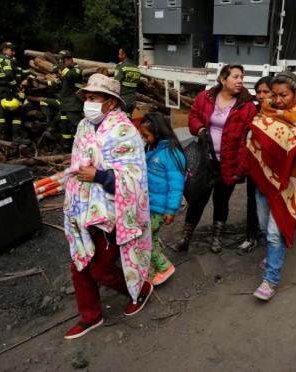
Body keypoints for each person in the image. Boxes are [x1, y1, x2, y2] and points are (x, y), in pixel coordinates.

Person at [63, 73, 153, 339]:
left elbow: (135, 178)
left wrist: (100, 176)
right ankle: (90, 316)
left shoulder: (124, 132)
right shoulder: (83, 127)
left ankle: (141, 289)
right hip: (82, 207)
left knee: (101, 268)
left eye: (93, 98)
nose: (87, 103)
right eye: (86, 98)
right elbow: (78, 161)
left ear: (111, 102)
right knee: (79, 263)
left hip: (113, 212)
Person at [242, 71, 296, 300]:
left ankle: (270, 279)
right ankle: (273, 252)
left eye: (283, 95)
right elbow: (255, 134)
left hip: (290, 183)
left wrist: (277, 143)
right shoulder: (266, 110)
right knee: (266, 226)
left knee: (275, 232)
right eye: (273, 95)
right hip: (264, 179)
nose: (276, 100)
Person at [172, 64, 257, 254]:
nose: (240, 81)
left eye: (241, 77)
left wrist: (239, 170)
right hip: (205, 160)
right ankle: (185, 238)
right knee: (197, 198)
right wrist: (201, 129)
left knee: (221, 200)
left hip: (229, 163)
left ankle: (217, 238)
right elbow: (193, 117)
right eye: (235, 77)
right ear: (222, 79)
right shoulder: (206, 97)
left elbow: (247, 142)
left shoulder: (247, 106)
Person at [139, 112, 186, 285]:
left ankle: (165, 267)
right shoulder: (154, 150)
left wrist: (171, 210)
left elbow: (176, 186)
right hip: (150, 205)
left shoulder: (172, 155)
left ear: (158, 133)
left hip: (159, 209)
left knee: (145, 241)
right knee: (147, 239)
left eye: (146, 135)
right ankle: (151, 274)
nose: (144, 139)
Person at [237, 76, 274, 256]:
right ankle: (250, 237)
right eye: (258, 92)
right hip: (254, 165)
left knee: (273, 204)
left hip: (274, 169)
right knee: (252, 201)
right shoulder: (253, 111)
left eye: (265, 92)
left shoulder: (280, 112)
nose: (261, 96)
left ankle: (274, 242)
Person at [37, 50, 84, 151]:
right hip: (65, 105)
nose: (62, 63)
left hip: (73, 105)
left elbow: (72, 76)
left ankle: (79, 151)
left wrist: (61, 67)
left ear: (70, 59)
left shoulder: (77, 70)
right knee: (65, 128)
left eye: (63, 61)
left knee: (74, 128)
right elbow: (55, 83)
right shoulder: (65, 73)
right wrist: (40, 81)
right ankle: (66, 147)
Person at [0, 41, 31, 145]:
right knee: (18, 111)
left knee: (2, 111)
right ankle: (16, 137)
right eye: (11, 50)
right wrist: (15, 86)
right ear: (4, 50)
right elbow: (8, 74)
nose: (13, 52)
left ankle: (3, 136)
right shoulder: (6, 59)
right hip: (8, 89)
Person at [114, 45, 141, 119]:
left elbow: (115, 83)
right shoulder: (136, 68)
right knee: (128, 120)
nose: (118, 55)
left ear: (124, 55)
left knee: (119, 120)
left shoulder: (122, 67)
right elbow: (137, 84)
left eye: (119, 53)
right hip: (132, 101)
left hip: (122, 100)